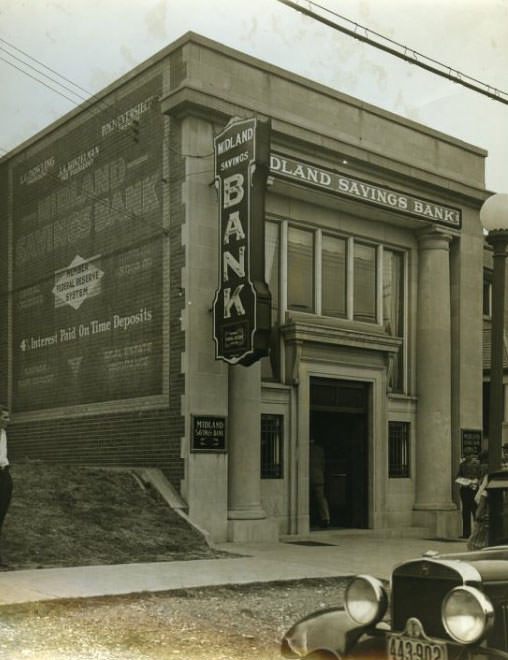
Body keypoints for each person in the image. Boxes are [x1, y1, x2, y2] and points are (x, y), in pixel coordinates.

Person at [456, 446, 481, 538]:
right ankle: (466, 533)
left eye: (468, 455)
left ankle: (476, 533)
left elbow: (479, 475)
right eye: (465, 455)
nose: (467, 457)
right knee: (465, 512)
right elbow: (459, 475)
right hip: (465, 489)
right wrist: (461, 481)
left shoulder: (477, 464)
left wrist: (475, 481)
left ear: (472, 455)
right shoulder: (462, 465)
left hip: (474, 488)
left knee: (475, 511)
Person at [0, 405, 12, 566]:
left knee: (0, 515)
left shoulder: (3, 433)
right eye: (4, 417)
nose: (8, 421)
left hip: (4, 474)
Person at [309, 437, 330, 528]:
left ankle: (312, 519)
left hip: (308, 477)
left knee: (309, 500)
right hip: (318, 477)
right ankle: (325, 518)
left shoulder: (306, 449)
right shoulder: (320, 450)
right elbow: (323, 464)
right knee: (321, 499)